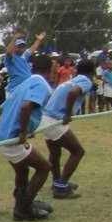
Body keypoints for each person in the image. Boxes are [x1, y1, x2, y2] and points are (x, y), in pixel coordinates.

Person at [0, 54, 55, 221]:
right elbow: (27, 106)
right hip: (11, 139)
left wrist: (22, 127)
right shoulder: (41, 84)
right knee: (44, 167)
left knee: (22, 169)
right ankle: (23, 207)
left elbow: (1, 110)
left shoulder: (24, 83)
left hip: (0, 135)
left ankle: (24, 199)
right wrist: (22, 132)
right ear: (50, 70)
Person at [42, 58, 96, 200]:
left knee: (55, 152)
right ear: (92, 72)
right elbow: (73, 93)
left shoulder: (73, 79)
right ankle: (61, 186)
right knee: (78, 151)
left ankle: (57, 181)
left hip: (45, 119)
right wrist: (67, 114)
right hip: (55, 120)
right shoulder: (85, 81)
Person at [3, 30, 46, 97]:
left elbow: (32, 48)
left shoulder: (24, 56)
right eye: (19, 47)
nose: (21, 49)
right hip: (14, 91)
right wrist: (14, 39)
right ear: (13, 47)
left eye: (22, 48)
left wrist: (38, 40)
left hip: (25, 89)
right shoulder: (11, 58)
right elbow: (8, 52)